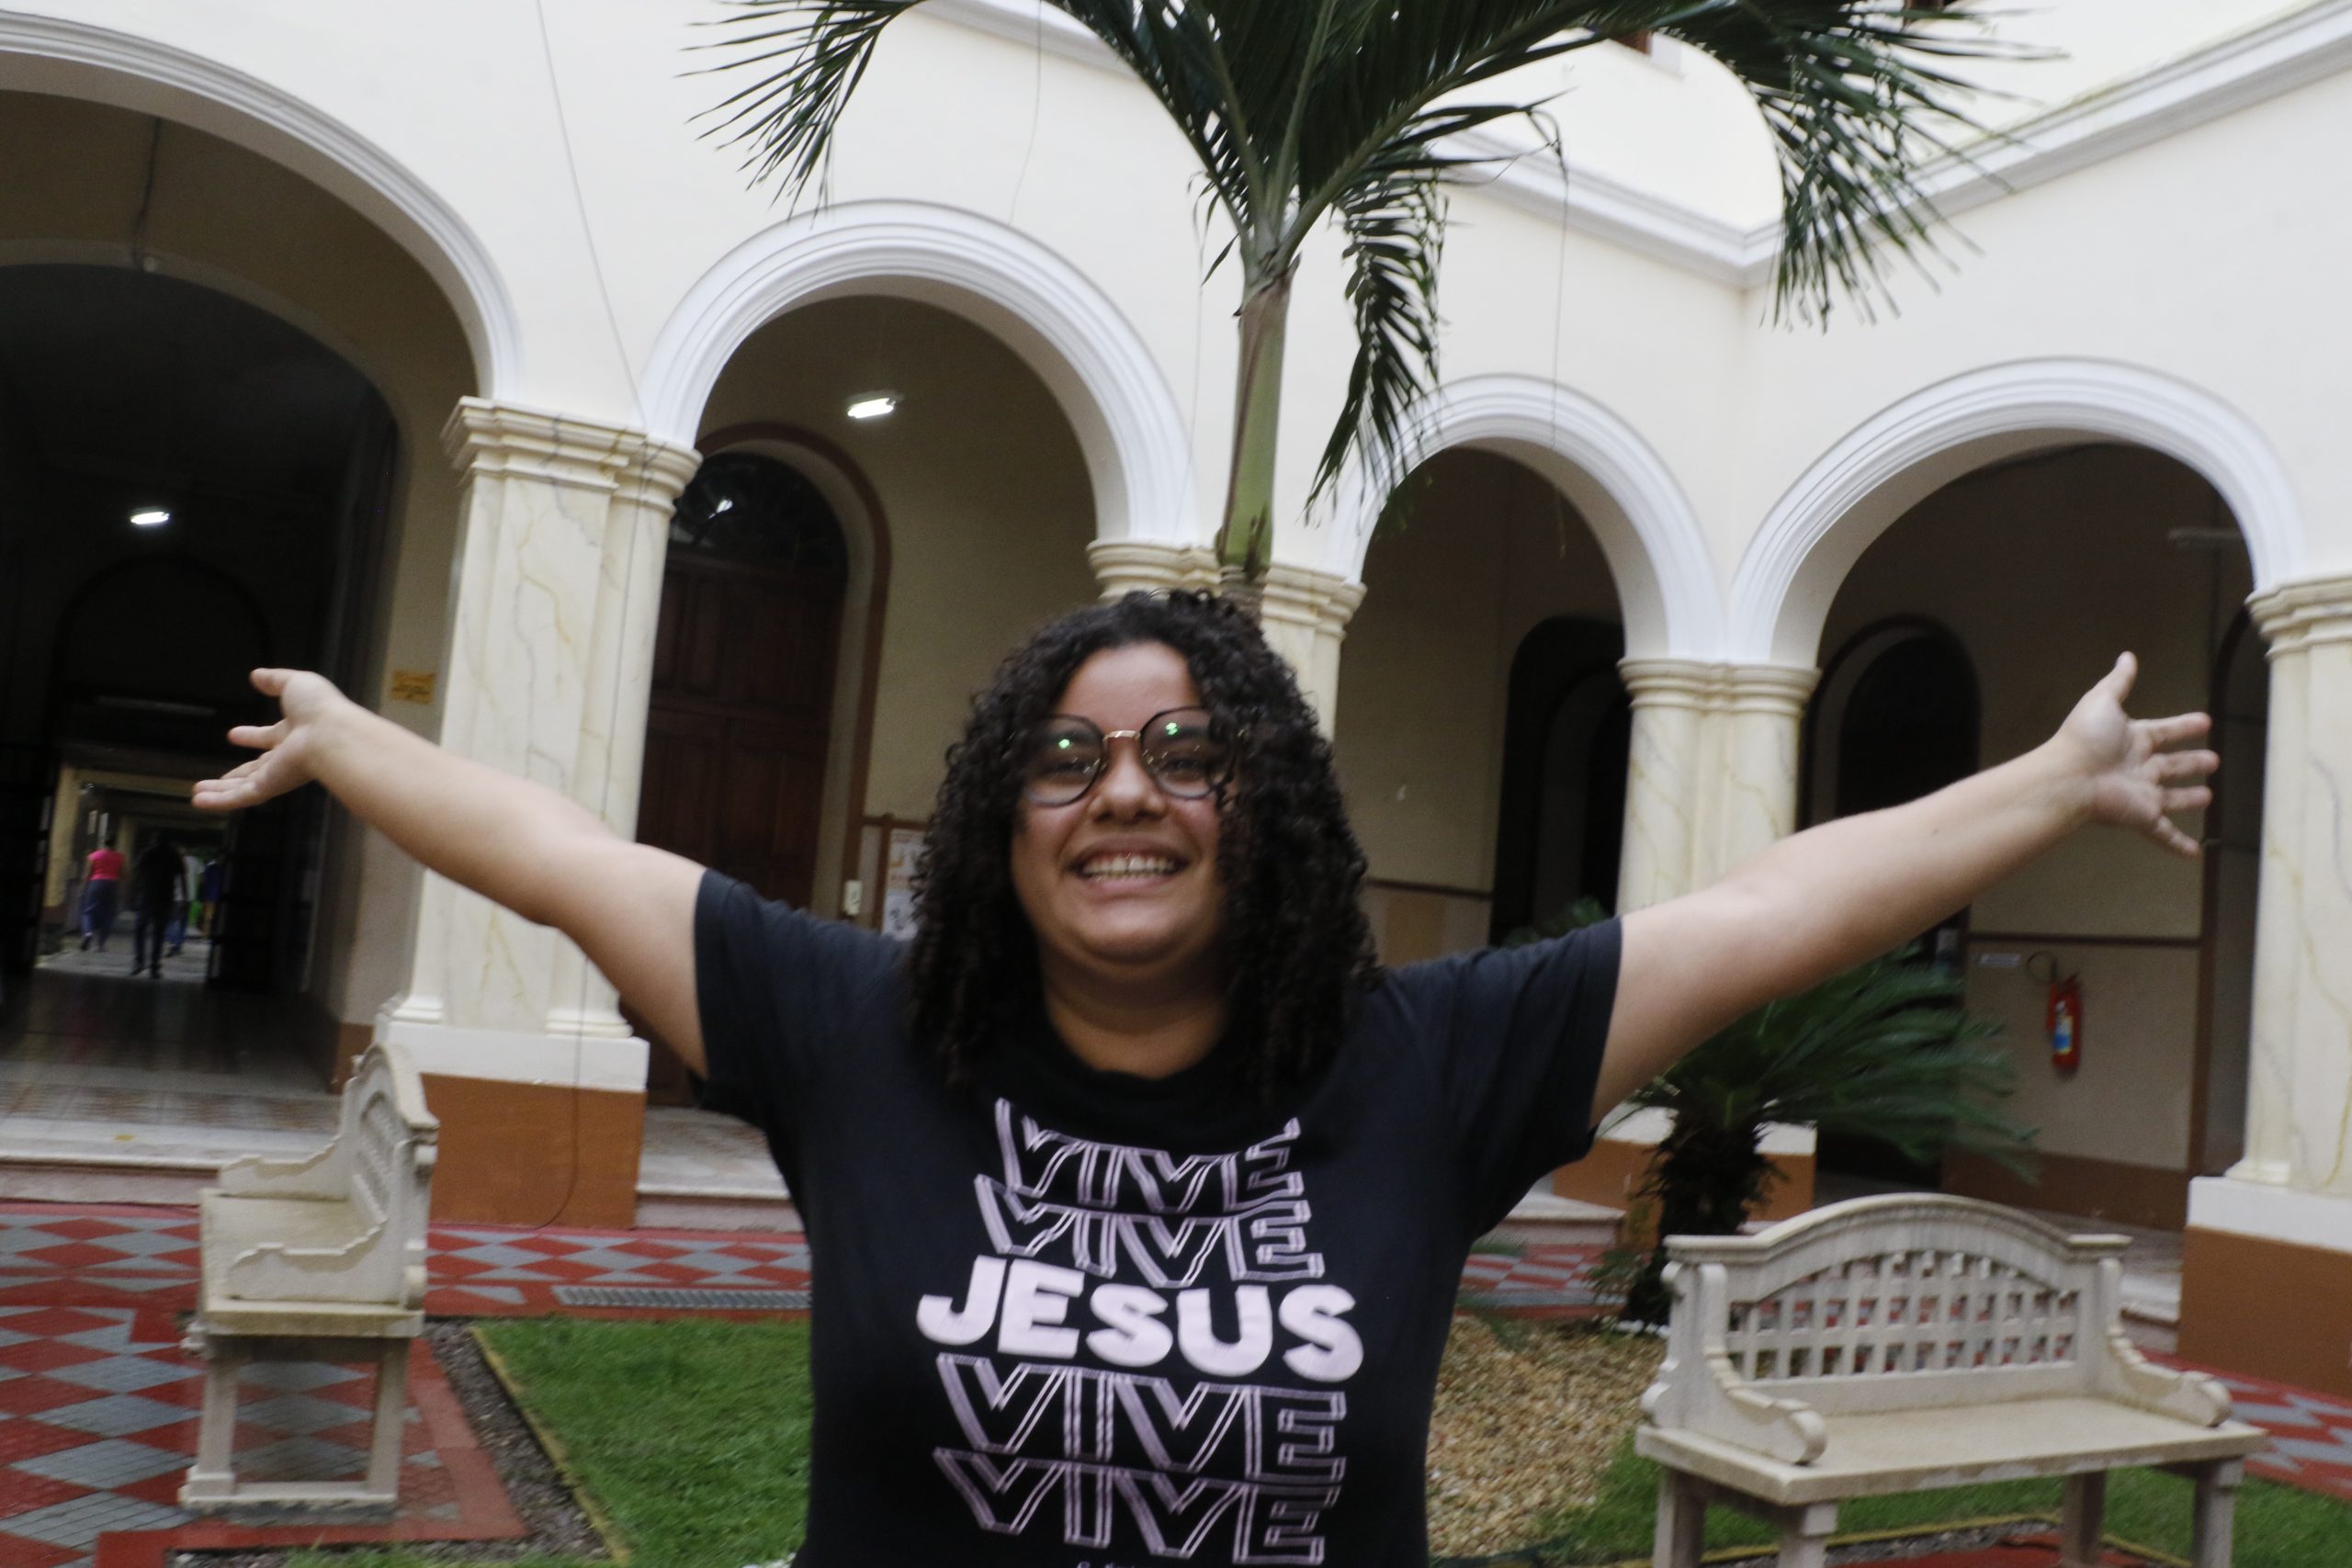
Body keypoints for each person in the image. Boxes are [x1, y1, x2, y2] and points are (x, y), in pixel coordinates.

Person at [192, 592, 2215, 1567]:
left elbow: (1767, 907)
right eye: (1065, 757)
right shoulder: (857, 1032)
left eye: (1181, 750)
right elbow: (566, 855)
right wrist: (361, 741)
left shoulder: (1422, 1064)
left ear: (1263, 809)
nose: (1124, 793)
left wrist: (2044, 783)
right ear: (999, 818)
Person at [129, 834, 186, 978]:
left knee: (140, 929)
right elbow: (182, 877)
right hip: (165, 897)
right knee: (159, 932)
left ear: (154, 840)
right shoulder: (174, 855)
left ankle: (139, 961)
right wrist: (185, 897)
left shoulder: (147, 852)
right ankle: (154, 966)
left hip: (147, 895)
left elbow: (137, 873)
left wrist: (133, 893)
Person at [78, 840, 125, 952]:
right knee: (108, 915)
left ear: (104, 843)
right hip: (112, 885)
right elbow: (124, 875)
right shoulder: (120, 857)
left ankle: (88, 933)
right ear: (114, 843)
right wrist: (121, 891)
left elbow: (87, 873)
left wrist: (82, 888)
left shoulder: (94, 855)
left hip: (96, 883)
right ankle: (100, 945)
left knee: (88, 912)